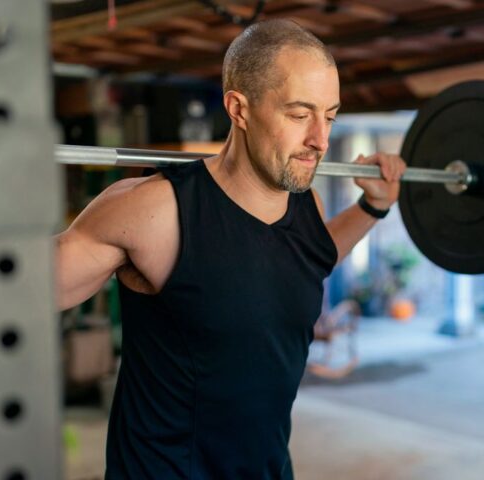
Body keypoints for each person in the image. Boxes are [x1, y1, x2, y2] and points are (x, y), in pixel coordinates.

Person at [54, 18, 406, 480]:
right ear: (238, 109)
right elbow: (13, 293)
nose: (320, 139)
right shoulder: (154, 212)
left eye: (330, 115)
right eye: (300, 115)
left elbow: (303, 261)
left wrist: (370, 209)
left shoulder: (306, 206)